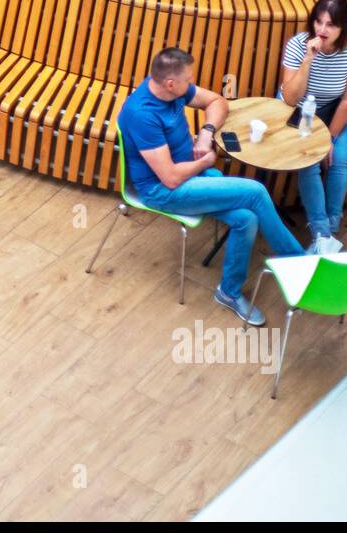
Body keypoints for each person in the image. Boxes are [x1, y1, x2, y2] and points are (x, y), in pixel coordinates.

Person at [117, 47, 304, 327]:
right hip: (163, 191)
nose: (192, 83)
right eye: (188, 79)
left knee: (247, 218)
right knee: (256, 192)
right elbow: (168, 178)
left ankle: (228, 292)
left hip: (188, 175)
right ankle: (300, 266)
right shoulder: (142, 114)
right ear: (170, 83)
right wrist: (206, 161)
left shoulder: (173, 89)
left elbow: (217, 100)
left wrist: (205, 135)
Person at [278, 0, 347, 254]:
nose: (322, 30)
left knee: (338, 160)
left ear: (343, 27)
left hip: (334, 110)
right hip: (298, 110)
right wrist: (308, 59)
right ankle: (322, 231)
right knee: (309, 161)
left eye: (330, 24)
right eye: (318, 22)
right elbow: (289, 97)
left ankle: (330, 227)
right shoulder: (298, 45)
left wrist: (328, 139)